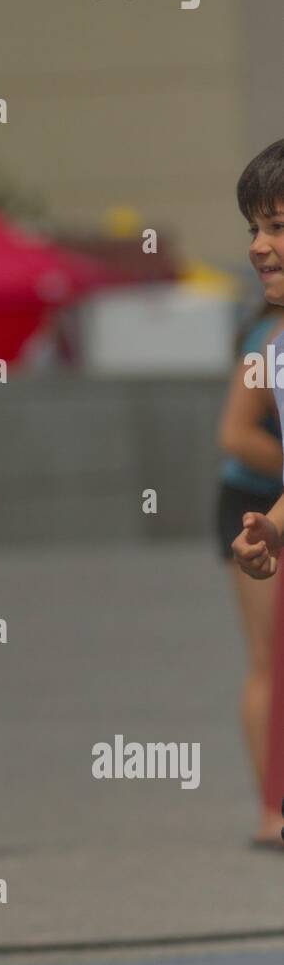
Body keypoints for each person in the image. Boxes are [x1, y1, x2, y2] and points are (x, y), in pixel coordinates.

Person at [229, 139, 284, 850]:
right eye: (254, 228)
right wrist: (269, 526)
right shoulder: (271, 349)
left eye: (278, 226)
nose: (260, 245)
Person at [216, 301, 284, 845]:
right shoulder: (269, 339)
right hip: (256, 504)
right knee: (269, 658)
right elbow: (236, 434)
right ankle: (272, 811)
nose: (263, 245)